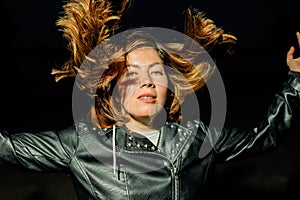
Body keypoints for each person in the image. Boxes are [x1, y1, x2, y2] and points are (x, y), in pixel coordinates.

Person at [1, 0, 300, 199]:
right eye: (132, 73)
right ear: (114, 89)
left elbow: (265, 136)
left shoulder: (197, 139)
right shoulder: (83, 145)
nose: (147, 81)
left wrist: (296, 78)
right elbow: (6, 148)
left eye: (157, 72)